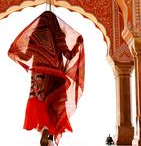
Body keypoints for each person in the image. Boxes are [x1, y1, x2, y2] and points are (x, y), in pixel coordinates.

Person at [8, 10, 85, 146]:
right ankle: (48, 135)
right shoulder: (58, 34)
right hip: (55, 76)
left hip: (38, 76)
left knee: (41, 103)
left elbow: (26, 57)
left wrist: (15, 51)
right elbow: (68, 55)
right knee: (53, 106)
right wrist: (78, 45)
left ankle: (45, 130)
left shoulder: (35, 36)